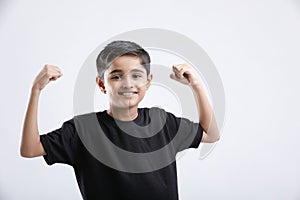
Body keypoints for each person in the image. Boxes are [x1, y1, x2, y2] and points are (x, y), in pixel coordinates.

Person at [20, 40, 220, 200]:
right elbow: (30, 149)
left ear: (148, 81)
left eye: (136, 75)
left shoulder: (161, 121)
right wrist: (36, 90)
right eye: (116, 76)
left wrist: (195, 85)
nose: (128, 83)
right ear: (101, 84)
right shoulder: (84, 129)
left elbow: (211, 134)